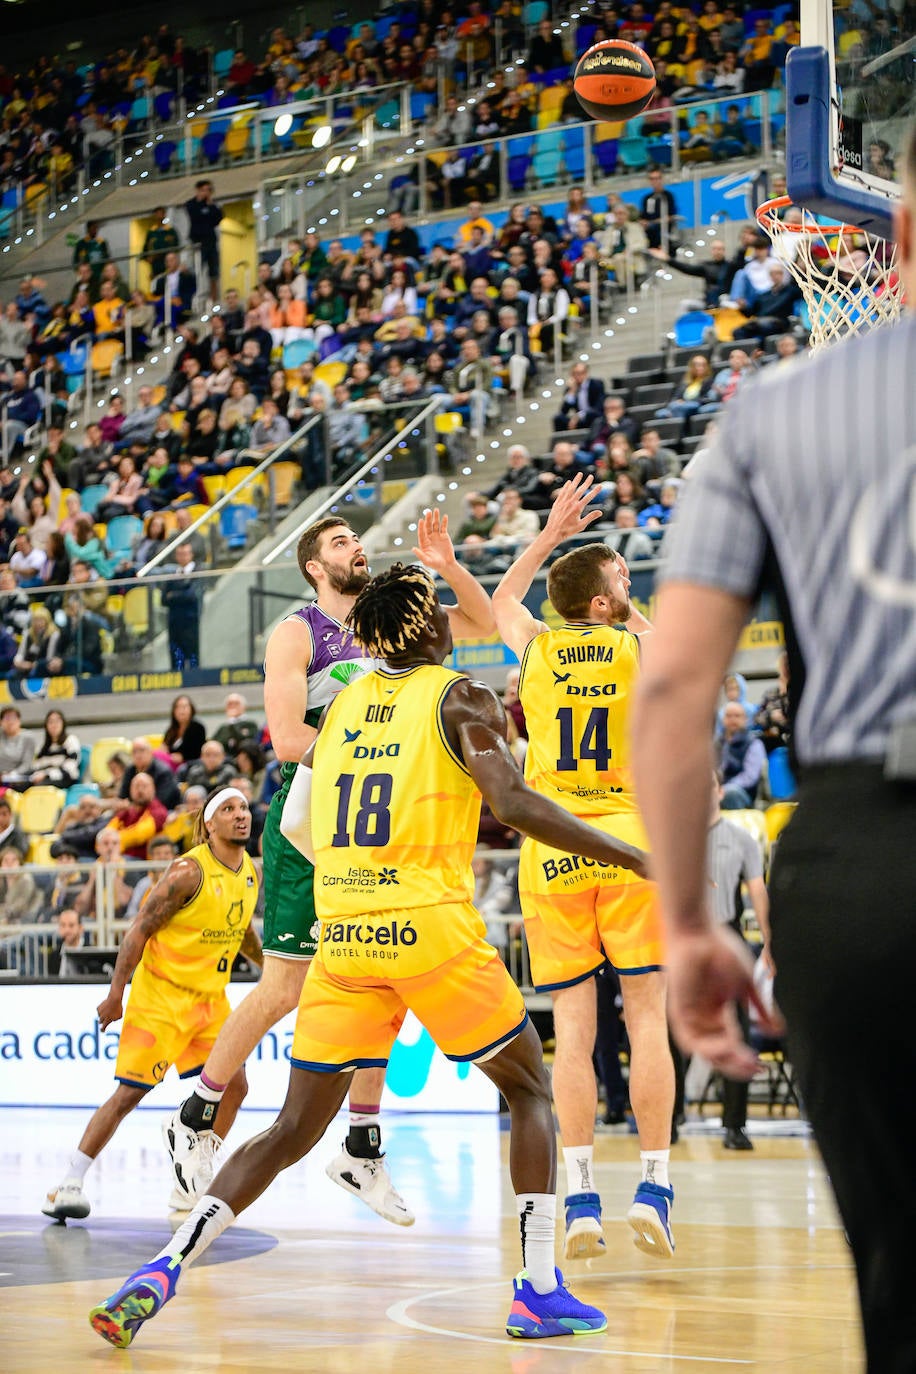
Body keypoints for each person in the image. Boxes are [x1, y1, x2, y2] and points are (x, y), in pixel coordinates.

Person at [88, 562, 650, 1350]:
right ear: (426, 625)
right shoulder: (460, 695)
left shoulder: (344, 705)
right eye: (444, 612)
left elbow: (293, 828)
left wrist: (356, 874)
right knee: (530, 1092)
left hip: (344, 933)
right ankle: (536, 1290)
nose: (456, 621)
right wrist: (629, 856)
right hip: (428, 928)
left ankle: (161, 1270)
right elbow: (515, 803)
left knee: (289, 1128)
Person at [628, 122, 916, 1374]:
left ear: (894, 231)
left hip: (866, 868)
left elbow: (677, 685)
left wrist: (690, 924)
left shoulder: (779, 411)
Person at [160, 512, 492, 1227]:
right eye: (340, 541)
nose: (357, 546)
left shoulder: (389, 627)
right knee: (283, 988)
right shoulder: (299, 632)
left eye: (357, 539)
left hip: (372, 824)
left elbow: (484, 622)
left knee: (384, 974)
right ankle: (196, 1113)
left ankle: (362, 1146)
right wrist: (375, 751)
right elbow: (285, 738)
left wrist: (449, 562)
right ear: (314, 565)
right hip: (312, 815)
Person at [492, 475, 675, 1263]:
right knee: (646, 1019)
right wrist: (623, 605)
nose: (630, 588)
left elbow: (504, 594)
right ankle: (657, 1188)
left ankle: (582, 1199)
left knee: (572, 1032)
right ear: (604, 602)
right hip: (632, 846)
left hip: (554, 853)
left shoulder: (534, 650)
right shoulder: (637, 644)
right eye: (623, 581)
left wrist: (551, 535)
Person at [43, 787, 261, 1221]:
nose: (241, 816)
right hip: (160, 996)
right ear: (209, 823)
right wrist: (115, 995)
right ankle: (68, 1183)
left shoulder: (250, 873)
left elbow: (244, 933)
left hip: (208, 999)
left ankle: (191, 1173)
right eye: (229, 809)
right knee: (130, 1093)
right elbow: (138, 930)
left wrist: (273, 967)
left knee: (236, 1086)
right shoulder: (187, 873)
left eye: (243, 808)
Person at [701, 774, 771, 1149]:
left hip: (727, 937)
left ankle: (735, 1126)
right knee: (665, 1031)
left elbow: (757, 890)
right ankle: (673, 1119)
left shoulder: (742, 838)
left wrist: (770, 942)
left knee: (738, 1032)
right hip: (686, 939)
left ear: (719, 791)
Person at [184, 181, 222, 302]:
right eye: (204, 190)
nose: (206, 193)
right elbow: (195, 217)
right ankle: (196, 295)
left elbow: (217, 219)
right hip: (198, 243)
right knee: (196, 269)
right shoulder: (191, 204)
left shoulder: (212, 205)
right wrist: (202, 204)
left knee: (213, 271)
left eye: (209, 190)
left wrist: (210, 205)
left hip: (210, 241)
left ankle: (214, 297)